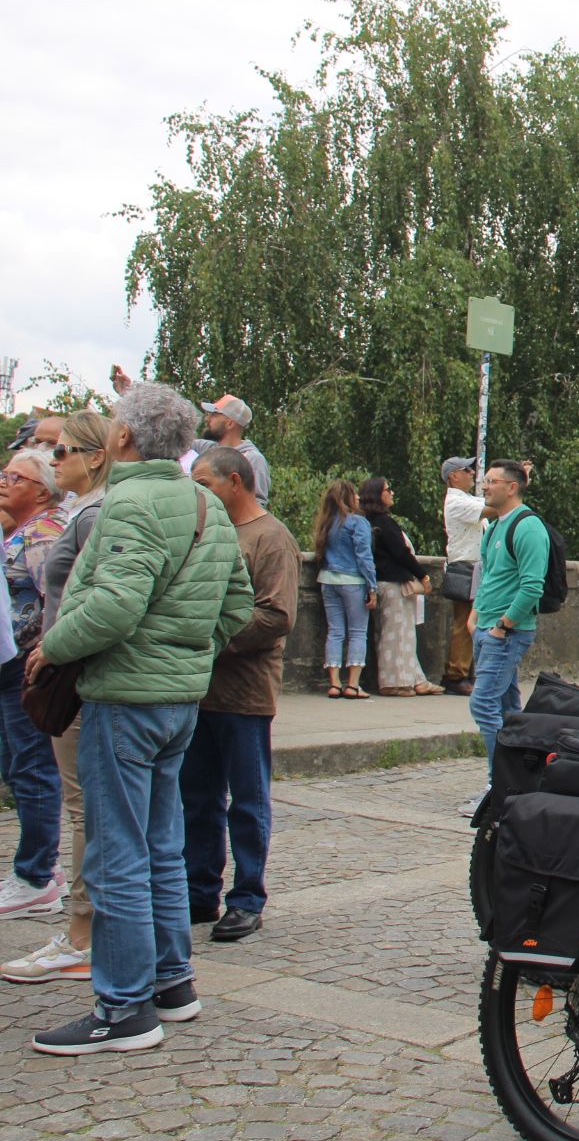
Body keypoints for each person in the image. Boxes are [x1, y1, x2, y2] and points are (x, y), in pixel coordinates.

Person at [26, 381, 252, 1055]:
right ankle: (170, 981)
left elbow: (114, 608)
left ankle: (124, 1009)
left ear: (123, 437)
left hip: (127, 698)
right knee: (158, 842)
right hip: (178, 697)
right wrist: (191, 651)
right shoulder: (204, 504)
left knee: (117, 850)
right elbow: (238, 604)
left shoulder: (130, 503)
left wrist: (50, 650)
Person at [3, 412, 112, 982]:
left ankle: (83, 932)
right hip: (66, 668)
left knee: (83, 807)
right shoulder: (83, 511)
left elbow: (95, 600)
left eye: (60, 448)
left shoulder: (93, 513)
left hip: (72, 673)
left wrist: (53, 649)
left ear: (95, 456)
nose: (51, 457)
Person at [182, 448, 298, 943]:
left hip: (244, 694)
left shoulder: (271, 539)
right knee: (197, 798)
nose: (197, 491)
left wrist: (205, 639)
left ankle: (247, 897)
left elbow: (275, 617)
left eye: (204, 482)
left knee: (247, 802)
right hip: (199, 690)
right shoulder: (207, 530)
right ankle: (198, 890)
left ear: (235, 481)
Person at [0, 447, 68, 920]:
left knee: (32, 768)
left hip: (27, 667)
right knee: (15, 765)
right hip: (9, 666)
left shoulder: (42, 533)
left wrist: (45, 657)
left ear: (41, 490)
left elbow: (56, 599)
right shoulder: (16, 532)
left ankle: (36, 874)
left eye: (16, 477)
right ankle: (42, 867)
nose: (5, 481)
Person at [465, 460, 550, 815]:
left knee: (482, 703)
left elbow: (533, 585)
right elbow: (488, 576)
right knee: (508, 710)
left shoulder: (528, 527)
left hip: (505, 632)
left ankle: (498, 785)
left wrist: (504, 624)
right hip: (487, 627)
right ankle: (521, 782)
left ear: (511, 487)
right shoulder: (493, 527)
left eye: (490, 481)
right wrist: (476, 617)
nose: (484, 486)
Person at [359, 477, 440, 698]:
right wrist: (422, 575)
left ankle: (414, 678)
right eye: (388, 490)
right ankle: (394, 681)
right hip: (392, 582)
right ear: (378, 495)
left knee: (401, 632)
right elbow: (400, 553)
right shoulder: (383, 523)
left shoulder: (368, 521)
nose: (392, 493)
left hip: (384, 581)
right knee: (395, 633)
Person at [311, 480, 376, 700]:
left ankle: (334, 683)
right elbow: (364, 556)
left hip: (328, 580)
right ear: (348, 498)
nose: (358, 497)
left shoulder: (327, 523)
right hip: (353, 581)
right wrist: (372, 587)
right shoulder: (357, 523)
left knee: (335, 631)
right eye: (355, 494)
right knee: (358, 631)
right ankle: (353, 684)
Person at [439, 457, 482, 695]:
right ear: (454, 475)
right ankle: (456, 673)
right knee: (465, 622)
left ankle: (464, 671)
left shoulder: (464, 499)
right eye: (467, 470)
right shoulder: (456, 501)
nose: (472, 473)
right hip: (466, 566)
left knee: (471, 621)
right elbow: (494, 508)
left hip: (473, 565)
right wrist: (515, 485)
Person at [191, 394, 270, 505]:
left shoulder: (253, 459)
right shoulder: (207, 448)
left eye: (214, 415)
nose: (207, 418)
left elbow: (258, 505)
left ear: (230, 423)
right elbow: (175, 442)